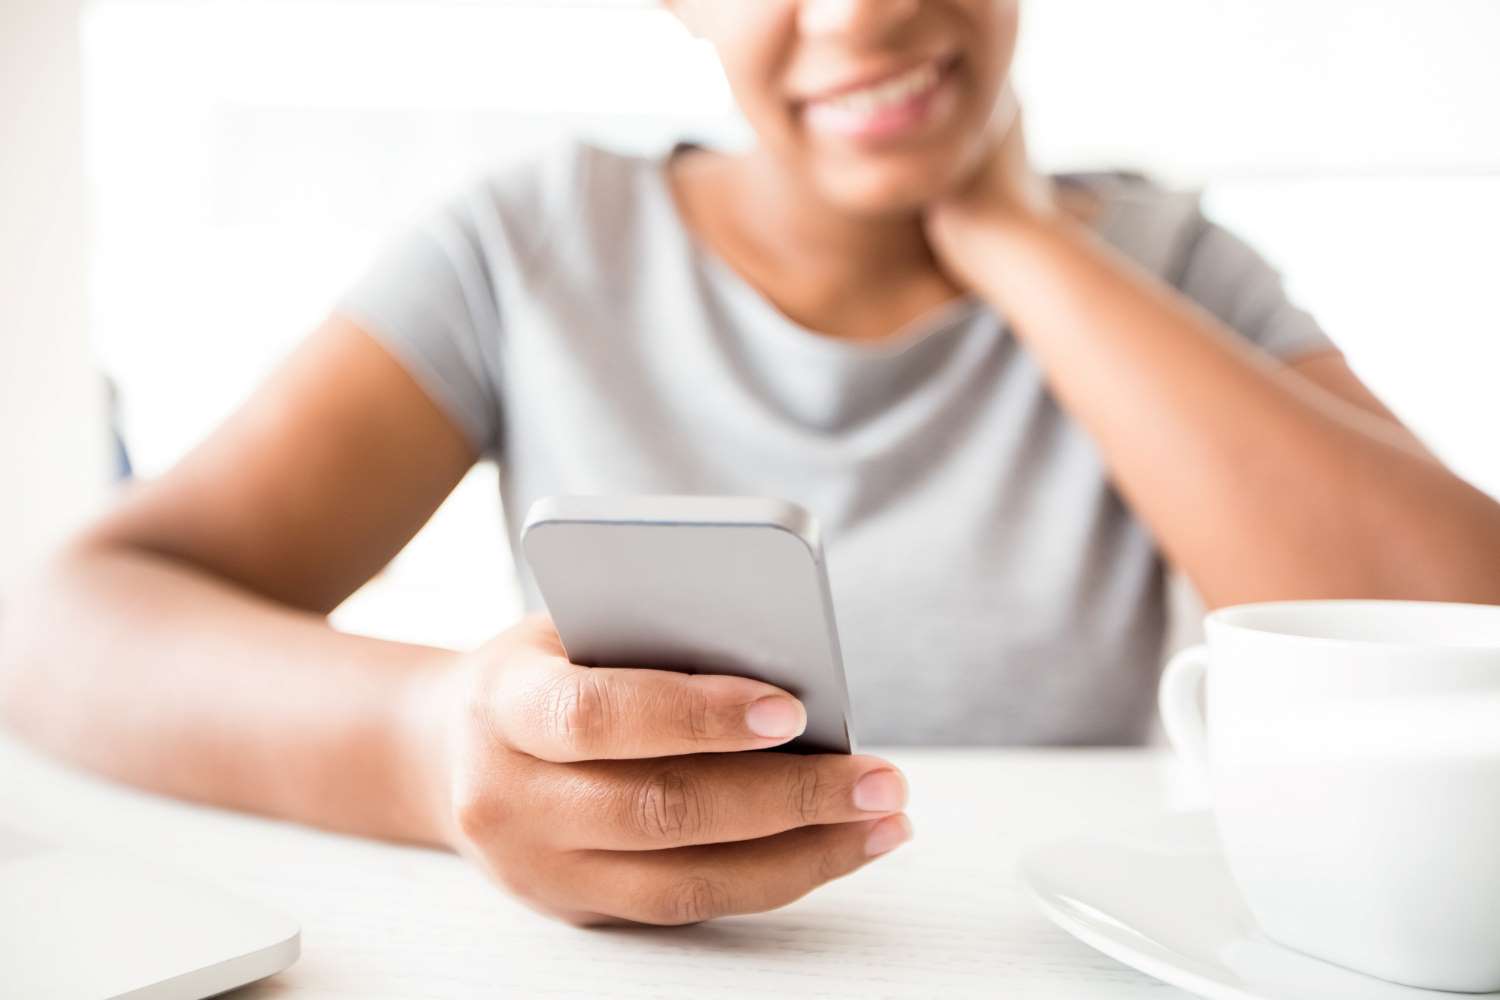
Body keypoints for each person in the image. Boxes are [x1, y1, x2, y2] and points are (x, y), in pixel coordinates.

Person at [4, 0, 1500, 928]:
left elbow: (1465, 632)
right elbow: (67, 624)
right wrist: (423, 738)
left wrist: (1017, 239)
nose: (864, 10)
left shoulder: (1179, 269)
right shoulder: (528, 249)